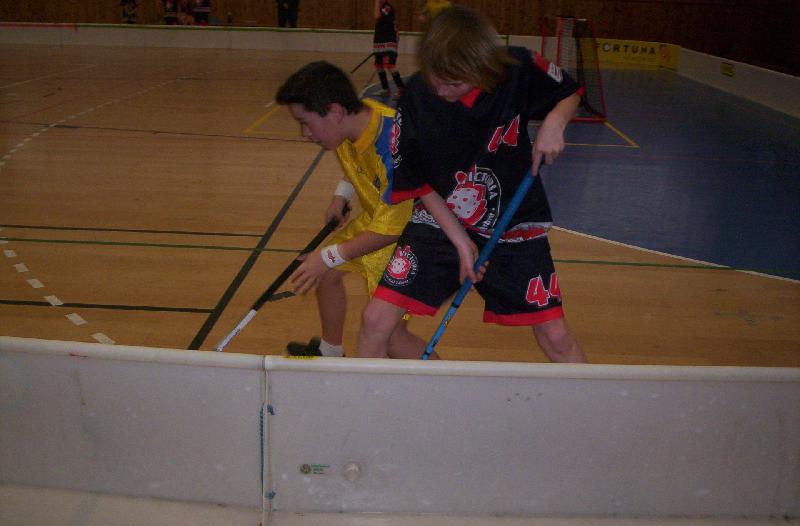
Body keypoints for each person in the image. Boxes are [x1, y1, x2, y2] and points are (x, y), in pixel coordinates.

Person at [357, 5, 587, 363]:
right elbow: (417, 181)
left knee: (556, 336)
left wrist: (555, 122)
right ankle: (365, 398)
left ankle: (588, 398)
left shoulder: (517, 67)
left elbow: (569, 91)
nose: (442, 90)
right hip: (440, 218)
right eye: (436, 79)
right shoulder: (415, 96)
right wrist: (462, 242)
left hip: (513, 222)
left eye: (455, 83)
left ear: (483, 68)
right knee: (375, 320)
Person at [275, 61, 431, 359]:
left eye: (306, 122)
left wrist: (328, 256)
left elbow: (394, 229)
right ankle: (330, 351)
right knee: (325, 275)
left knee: (391, 336)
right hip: (380, 219)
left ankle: (446, 384)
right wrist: (341, 196)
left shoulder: (393, 144)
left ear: (334, 111)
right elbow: (358, 163)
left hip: (411, 237)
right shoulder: (355, 122)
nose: (304, 133)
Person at [372, 0, 405, 99]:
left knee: (390, 65)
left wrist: (376, 2)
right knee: (379, 65)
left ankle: (401, 89)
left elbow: (377, 16)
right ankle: (385, 89)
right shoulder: (381, 7)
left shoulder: (387, 7)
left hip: (388, 39)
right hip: (380, 39)